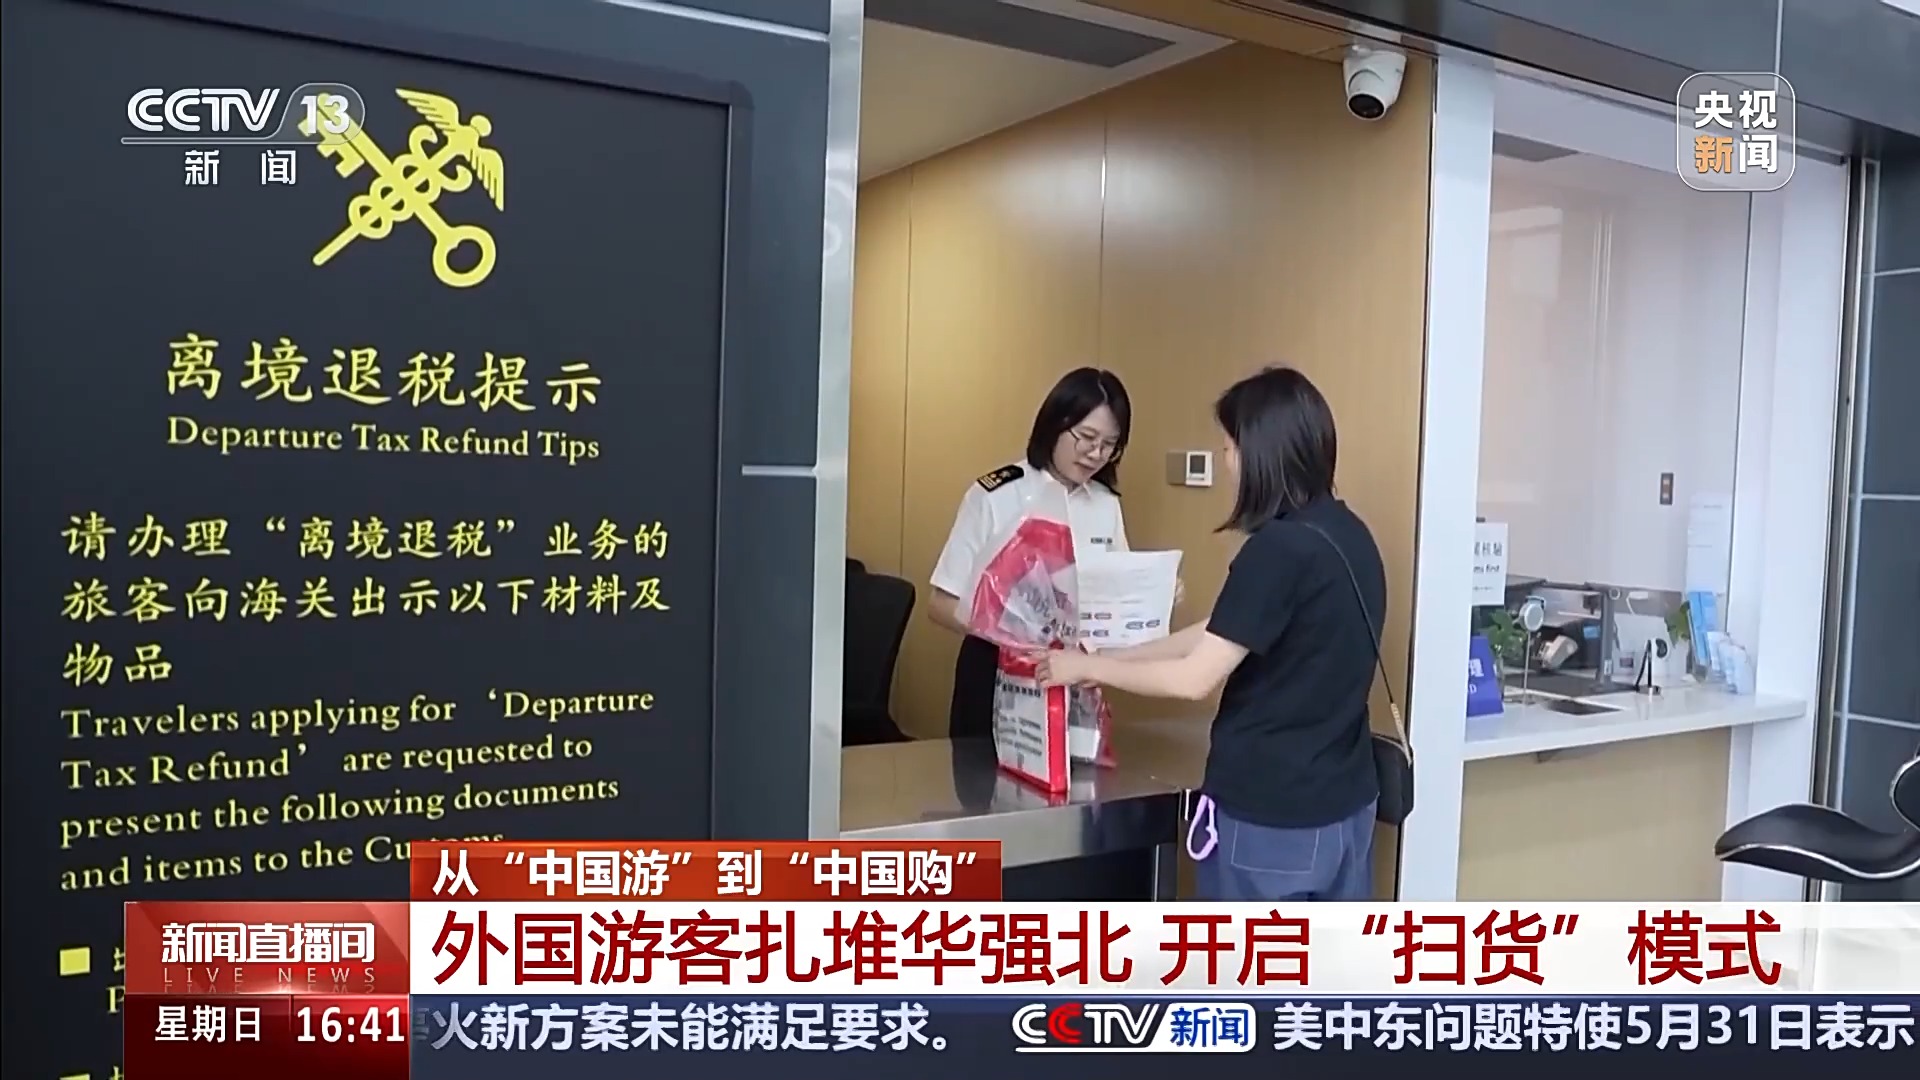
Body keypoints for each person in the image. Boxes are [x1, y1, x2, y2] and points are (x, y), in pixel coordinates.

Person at [1035, 366, 1385, 901]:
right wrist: (1116, 657)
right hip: (1347, 809)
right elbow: (1223, 629)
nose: (1226, 463)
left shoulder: (1278, 550)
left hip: (1272, 821)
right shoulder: (1348, 534)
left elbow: (1195, 679)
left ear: (1258, 452)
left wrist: (1086, 667)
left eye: (1228, 448)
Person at [928, 367, 1132, 742]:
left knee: (1073, 777)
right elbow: (941, 603)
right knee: (981, 777)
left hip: (1074, 675)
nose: (1095, 454)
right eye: (1087, 438)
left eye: (1109, 445)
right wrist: (1015, 638)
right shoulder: (995, 495)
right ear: (1055, 424)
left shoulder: (1105, 505)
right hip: (995, 672)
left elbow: (1114, 597)